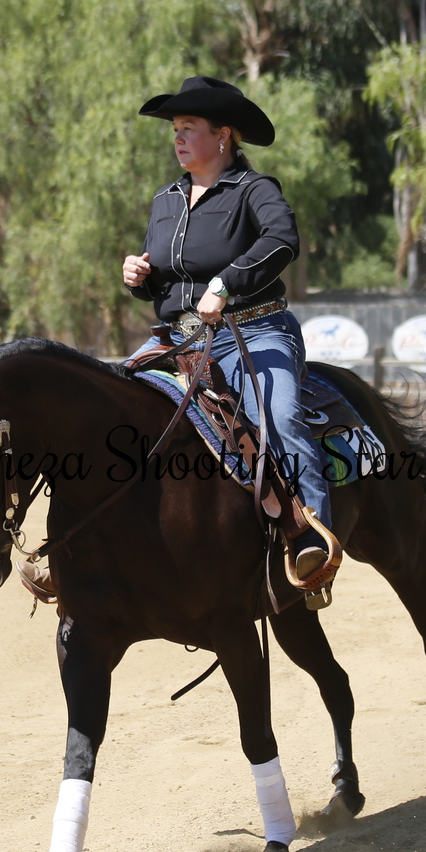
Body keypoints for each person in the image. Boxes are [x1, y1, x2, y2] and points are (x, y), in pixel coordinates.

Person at [122, 75, 331, 580]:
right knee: (106, 410)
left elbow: (282, 240)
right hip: (177, 339)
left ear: (222, 137)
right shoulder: (165, 199)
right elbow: (167, 280)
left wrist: (226, 283)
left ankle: (310, 534)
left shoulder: (255, 190)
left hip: (254, 331)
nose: (177, 137)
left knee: (279, 417)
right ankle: (87, 544)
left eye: (188, 127)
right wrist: (139, 278)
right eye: (175, 128)